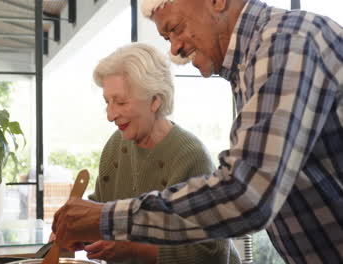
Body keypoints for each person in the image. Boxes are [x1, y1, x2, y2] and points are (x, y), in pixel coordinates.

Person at [52, 0, 343, 263]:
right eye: (167, 38)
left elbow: (245, 194)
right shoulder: (250, 64)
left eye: (177, 28)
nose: (175, 49)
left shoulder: (286, 41)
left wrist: (106, 219)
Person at [83, 43, 240, 264]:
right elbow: (102, 209)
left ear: (155, 100)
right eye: (107, 102)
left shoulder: (189, 155)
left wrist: (135, 251)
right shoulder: (115, 146)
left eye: (120, 102)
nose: (110, 115)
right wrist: (79, 229)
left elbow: (212, 252)